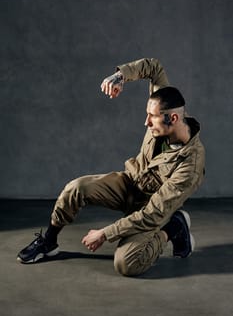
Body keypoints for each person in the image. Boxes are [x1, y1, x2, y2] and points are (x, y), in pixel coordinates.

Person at [17, 58, 205, 276]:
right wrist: (120, 76)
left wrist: (105, 233)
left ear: (173, 118)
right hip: (130, 182)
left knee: (127, 263)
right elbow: (154, 67)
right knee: (76, 188)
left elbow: (151, 213)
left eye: (152, 117)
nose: (146, 122)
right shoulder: (166, 103)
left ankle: (171, 228)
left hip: (150, 207)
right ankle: (49, 242)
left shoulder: (190, 164)